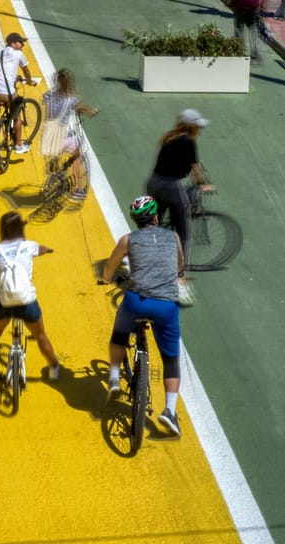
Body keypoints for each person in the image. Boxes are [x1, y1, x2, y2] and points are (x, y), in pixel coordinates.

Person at [99, 196, 186, 437]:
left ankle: (115, 376)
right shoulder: (173, 237)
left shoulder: (128, 240)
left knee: (118, 335)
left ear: (135, 220)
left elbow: (110, 266)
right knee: (170, 359)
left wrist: (106, 279)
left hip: (136, 302)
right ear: (157, 217)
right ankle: (169, 410)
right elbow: (179, 264)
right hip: (166, 306)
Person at [0, 212, 64, 393]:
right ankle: (54, 368)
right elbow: (41, 249)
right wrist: (47, 250)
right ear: (20, 228)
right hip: (27, 303)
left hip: (4, 303)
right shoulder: (29, 246)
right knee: (40, 335)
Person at [145, 110, 209, 258]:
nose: (200, 129)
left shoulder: (169, 137)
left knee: (152, 225)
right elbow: (195, 170)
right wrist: (202, 184)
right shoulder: (188, 142)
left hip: (154, 183)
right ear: (191, 126)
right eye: (198, 126)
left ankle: (145, 257)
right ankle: (180, 271)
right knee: (183, 231)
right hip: (171, 187)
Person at [40, 68, 98, 200]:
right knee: (78, 154)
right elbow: (80, 108)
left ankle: (55, 162)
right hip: (62, 136)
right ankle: (77, 188)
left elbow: (44, 100)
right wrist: (91, 110)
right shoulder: (71, 99)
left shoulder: (49, 95)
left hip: (47, 137)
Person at [0, 31, 36, 163]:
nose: (23, 45)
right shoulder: (18, 54)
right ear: (13, 43)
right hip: (7, 93)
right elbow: (26, 71)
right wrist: (29, 81)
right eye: (20, 42)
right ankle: (18, 145)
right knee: (17, 116)